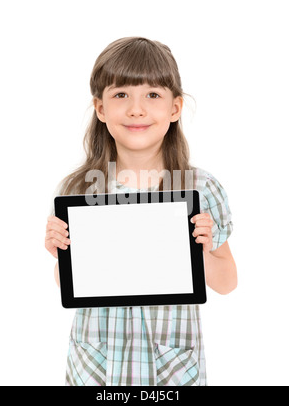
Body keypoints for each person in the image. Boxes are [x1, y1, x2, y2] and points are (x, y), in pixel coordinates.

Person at [45, 37, 237, 386]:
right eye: (121, 95)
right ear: (100, 109)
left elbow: (227, 281)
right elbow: (68, 284)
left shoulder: (200, 187)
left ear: (175, 108)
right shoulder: (79, 189)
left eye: (152, 95)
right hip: (97, 364)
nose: (136, 109)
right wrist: (63, 256)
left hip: (172, 367)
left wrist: (201, 252)